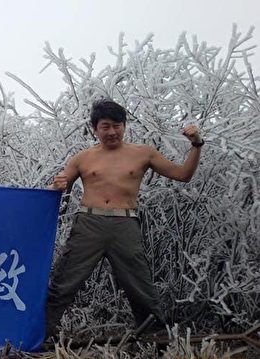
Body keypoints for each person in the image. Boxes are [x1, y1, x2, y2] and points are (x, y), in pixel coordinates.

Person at [46, 99, 203, 338]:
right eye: (105, 126)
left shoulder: (143, 153)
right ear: (94, 129)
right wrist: (55, 186)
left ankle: (157, 340)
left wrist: (196, 144)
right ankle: (39, 335)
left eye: (117, 125)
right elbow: (57, 188)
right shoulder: (82, 158)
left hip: (125, 224)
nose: (112, 132)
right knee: (64, 282)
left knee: (140, 286)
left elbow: (183, 175)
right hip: (89, 224)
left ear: (125, 126)